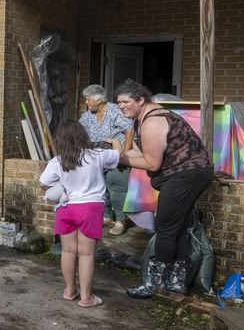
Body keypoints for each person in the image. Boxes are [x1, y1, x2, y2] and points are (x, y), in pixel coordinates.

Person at [115, 80, 214, 298]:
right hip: (193, 172)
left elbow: (151, 164)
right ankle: (176, 283)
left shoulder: (153, 122)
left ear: (141, 100)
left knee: (165, 227)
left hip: (185, 175)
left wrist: (122, 159)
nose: (121, 106)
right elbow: (142, 156)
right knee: (177, 227)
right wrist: (114, 155)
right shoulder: (145, 118)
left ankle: (155, 284)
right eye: (118, 102)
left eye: (125, 101)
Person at [39, 120, 121, 308]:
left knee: (68, 251)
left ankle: (69, 290)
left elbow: (43, 183)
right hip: (90, 208)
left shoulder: (57, 161)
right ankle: (86, 297)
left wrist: (59, 186)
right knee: (86, 254)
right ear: (83, 136)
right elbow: (118, 155)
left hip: (66, 207)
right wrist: (115, 140)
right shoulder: (97, 155)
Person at [78, 84, 134, 236]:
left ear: (99, 99)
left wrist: (126, 152)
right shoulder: (88, 114)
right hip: (96, 156)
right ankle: (108, 216)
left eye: (88, 99)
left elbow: (129, 128)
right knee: (101, 187)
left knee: (116, 187)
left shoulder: (114, 110)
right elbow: (79, 130)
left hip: (114, 154)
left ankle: (121, 221)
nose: (86, 102)